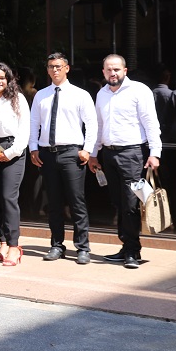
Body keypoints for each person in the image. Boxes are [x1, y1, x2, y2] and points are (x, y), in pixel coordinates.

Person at [89, 54, 162, 269]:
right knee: (118, 203)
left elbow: (151, 123)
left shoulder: (139, 91)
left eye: (117, 70)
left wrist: (154, 152)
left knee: (131, 204)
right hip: (108, 156)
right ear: (103, 72)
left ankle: (133, 251)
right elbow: (99, 127)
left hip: (132, 154)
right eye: (109, 70)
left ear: (125, 71)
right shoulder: (101, 94)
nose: (113, 73)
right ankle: (126, 246)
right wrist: (94, 154)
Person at [28, 52, 98, 265]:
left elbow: (92, 123)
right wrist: (33, 148)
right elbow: (34, 123)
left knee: (77, 201)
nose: (54, 70)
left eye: (58, 66)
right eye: (51, 66)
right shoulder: (41, 95)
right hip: (47, 154)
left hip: (71, 153)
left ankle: (82, 247)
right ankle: (57, 245)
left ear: (67, 68)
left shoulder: (80, 94)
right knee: (54, 203)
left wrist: (87, 149)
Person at [0, 62, 31, 267]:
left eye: (2, 78)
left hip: (13, 152)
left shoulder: (17, 99)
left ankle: (14, 246)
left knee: (9, 197)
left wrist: (9, 153)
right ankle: (2, 242)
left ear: (9, 80)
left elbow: (24, 131)